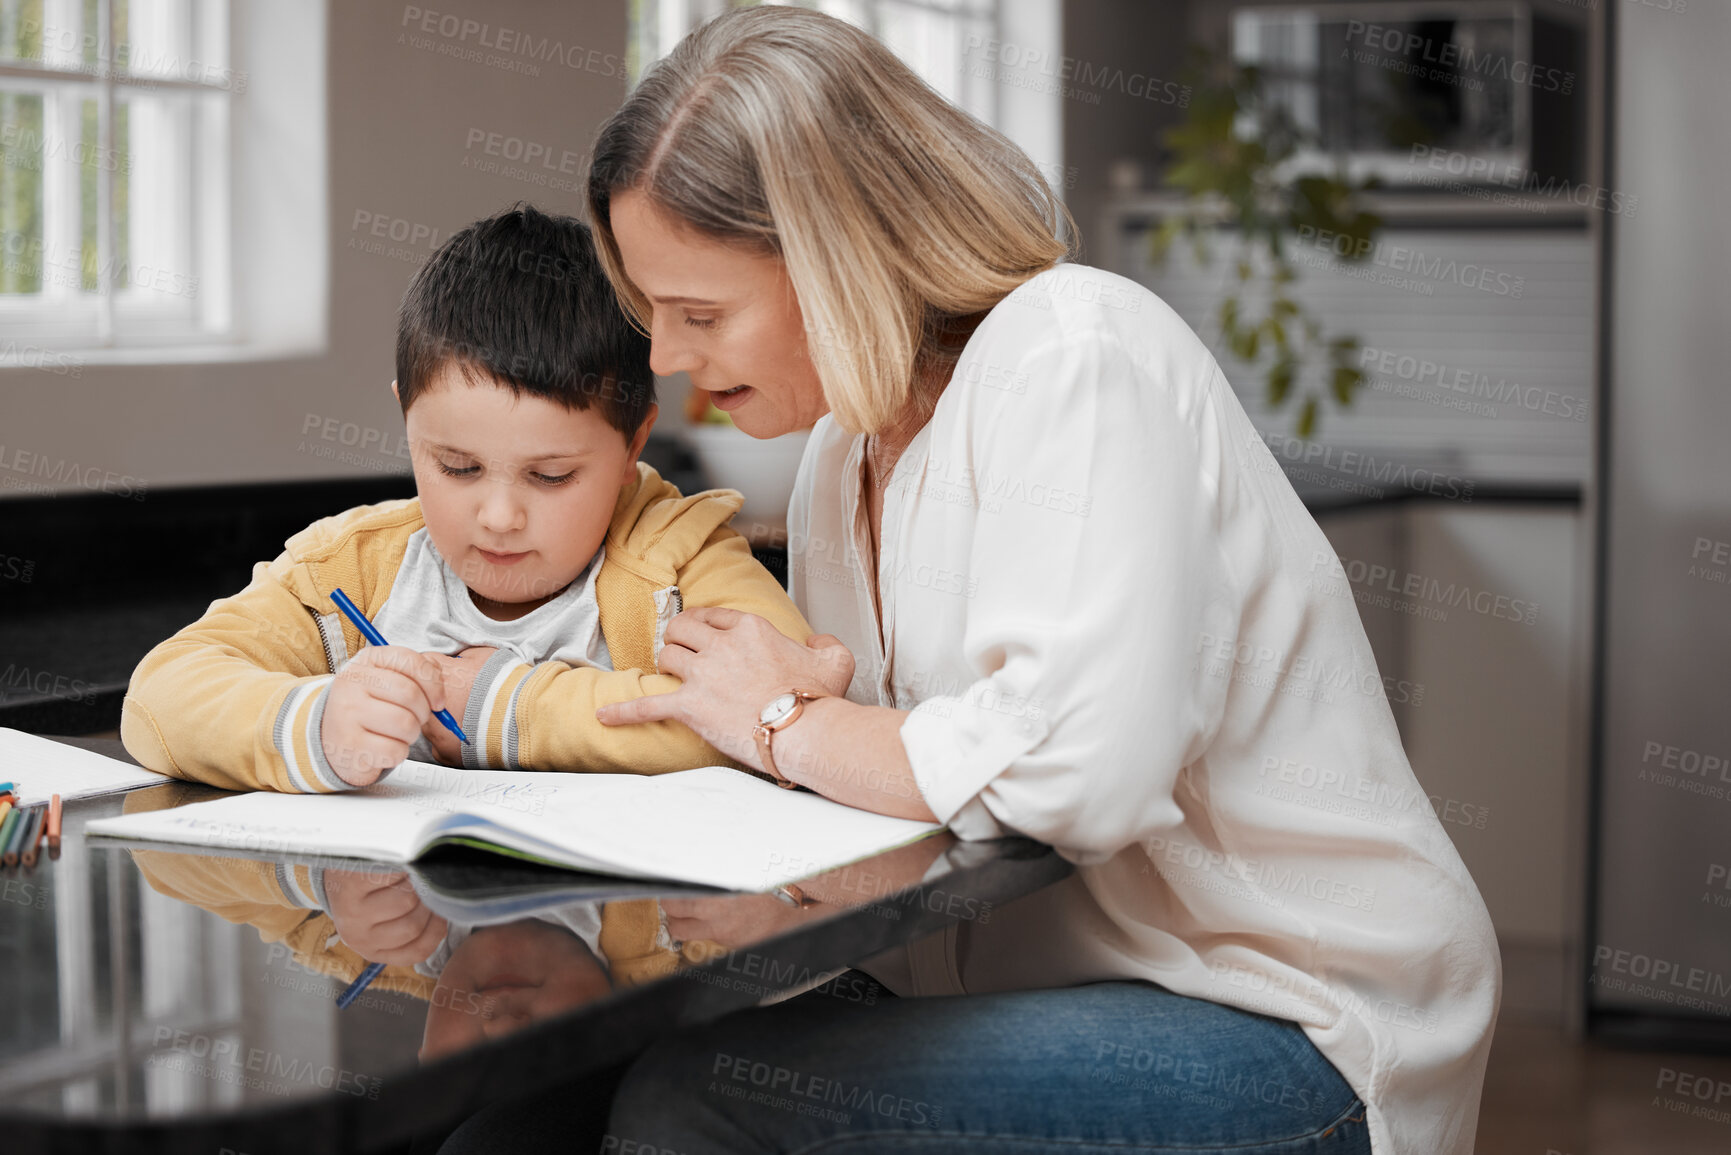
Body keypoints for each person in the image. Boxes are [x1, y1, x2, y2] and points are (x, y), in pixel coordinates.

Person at [567, 7, 1500, 1154]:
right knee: (548, 1090)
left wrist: (781, 721)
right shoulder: (838, 456)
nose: (662, 357)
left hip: (1277, 1007)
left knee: (692, 1102)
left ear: (838, 254)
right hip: (1007, 980)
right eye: (651, 312)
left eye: (699, 313)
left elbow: (1072, 778)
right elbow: (904, 777)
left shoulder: (1077, 356)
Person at [120, 204, 813, 792]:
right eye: (456, 466)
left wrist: (498, 708)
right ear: (408, 423)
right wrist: (317, 724)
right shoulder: (350, 572)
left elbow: (781, 708)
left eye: (550, 477)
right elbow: (157, 701)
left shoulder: (683, 560)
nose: (500, 516)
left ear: (634, 444)